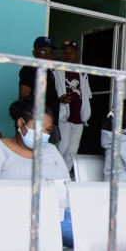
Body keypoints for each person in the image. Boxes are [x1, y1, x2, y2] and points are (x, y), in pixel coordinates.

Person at [0, 97, 73, 245]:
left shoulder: (50, 150)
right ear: (20, 123)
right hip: (24, 218)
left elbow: (67, 185)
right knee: (96, 237)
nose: (43, 134)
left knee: (108, 228)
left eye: (47, 130)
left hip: (62, 213)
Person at [54, 40, 91, 170]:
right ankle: (54, 173)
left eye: (71, 53)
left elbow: (87, 94)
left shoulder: (82, 72)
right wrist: (59, 100)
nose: (68, 56)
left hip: (79, 117)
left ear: (77, 54)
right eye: (65, 53)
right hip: (63, 115)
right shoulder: (56, 70)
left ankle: (64, 176)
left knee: (72, 150)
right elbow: (52, 93)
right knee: (62, 147)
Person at [18, 36, 60, 146]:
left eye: (50, 53)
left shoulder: (48, 72)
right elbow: (24, 96)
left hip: (51, 123)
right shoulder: (29, 69)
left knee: (52, 158)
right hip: (38, 124)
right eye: (43, 51)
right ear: (34, 53)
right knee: (35, 158)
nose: (48, 55)